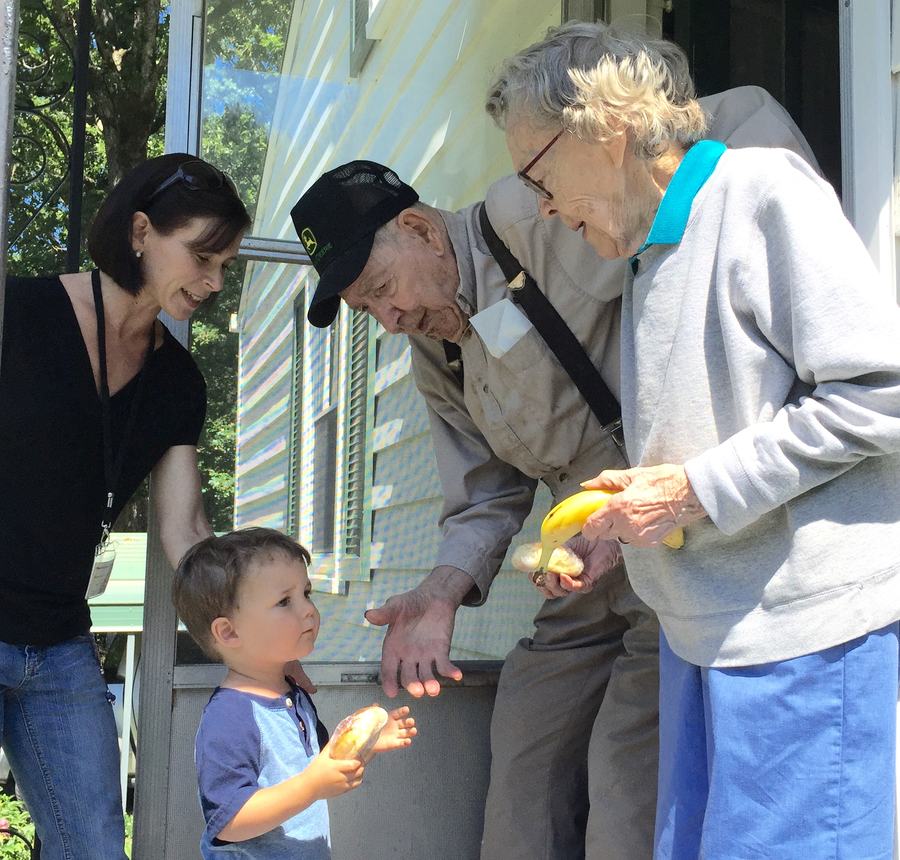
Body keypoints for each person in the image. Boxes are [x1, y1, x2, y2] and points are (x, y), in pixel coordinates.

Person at [287, 86, 816, 859]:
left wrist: (799, 246)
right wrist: (441, 593)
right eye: (369, 310)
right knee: (527, 749)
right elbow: (489, 493)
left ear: (418, 229)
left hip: (663, 520)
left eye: (379, 290)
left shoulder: (524, 216)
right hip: (578, 551)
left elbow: (742, 117)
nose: (388, 319)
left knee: (624, 774)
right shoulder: (435, 352)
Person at [488, 20, 900, 860]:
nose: (542, 206)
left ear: (602, 129)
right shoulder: (646, 253)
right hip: (702, 639)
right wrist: (624, 530)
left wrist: (687, 492)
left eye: (536, 172)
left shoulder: (759, 192)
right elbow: (712, 444)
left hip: (801, 643)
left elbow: (879, 394)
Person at [0, 153, 250, 859]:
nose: (213, 283)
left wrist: (250, 628)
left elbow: (185, 530)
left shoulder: (179, 382)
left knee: (98, 847)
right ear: (141, 230)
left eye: (226, 266)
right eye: (204, 258)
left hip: (58, 648)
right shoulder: (16, 313)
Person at [172, 527, 416, 858]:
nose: (308, 610)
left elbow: (324, 766)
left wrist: (368, 743)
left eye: (307, 593)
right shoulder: (229, 716)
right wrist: (309, 787)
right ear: (228, 632)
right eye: (285, 601)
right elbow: (229, 821)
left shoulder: (293, 694)